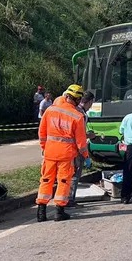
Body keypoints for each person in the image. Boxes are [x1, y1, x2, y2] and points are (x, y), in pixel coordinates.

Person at [36, 84, 90, 222]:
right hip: (66, 156)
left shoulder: (50, 110)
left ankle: (41, 212)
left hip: (49, 153)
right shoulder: (77, 116)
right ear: (78, 100)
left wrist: (44, 147)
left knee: (46, 180)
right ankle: (59, 212)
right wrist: (86, 156)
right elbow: (81, 142)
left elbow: (42, 133)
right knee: (63, 182)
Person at [66, 90, 96, 208]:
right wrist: (90, 136)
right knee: (74, 176)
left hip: (69, 148)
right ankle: (70, 199)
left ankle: (65, 199)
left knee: (68, 175)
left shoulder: (74, 110)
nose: (91, 106)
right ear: (89, 102)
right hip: (77, 149)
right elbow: (79, 135)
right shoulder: (81, 114)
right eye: (91, 103)